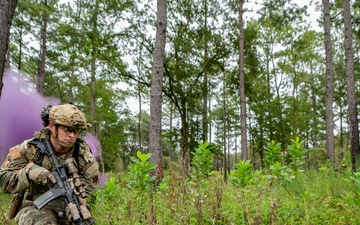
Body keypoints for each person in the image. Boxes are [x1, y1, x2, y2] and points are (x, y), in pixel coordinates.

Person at [0, 103, 99, 224]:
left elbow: (89, 190)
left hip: (71, 210)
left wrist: (80, 205)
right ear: (52, 127)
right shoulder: (30, 149)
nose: (72, 135)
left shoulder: (83, 156)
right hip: (35, 208)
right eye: (67, 129)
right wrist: (28, 173)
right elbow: (3, 180)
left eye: (76, 131)